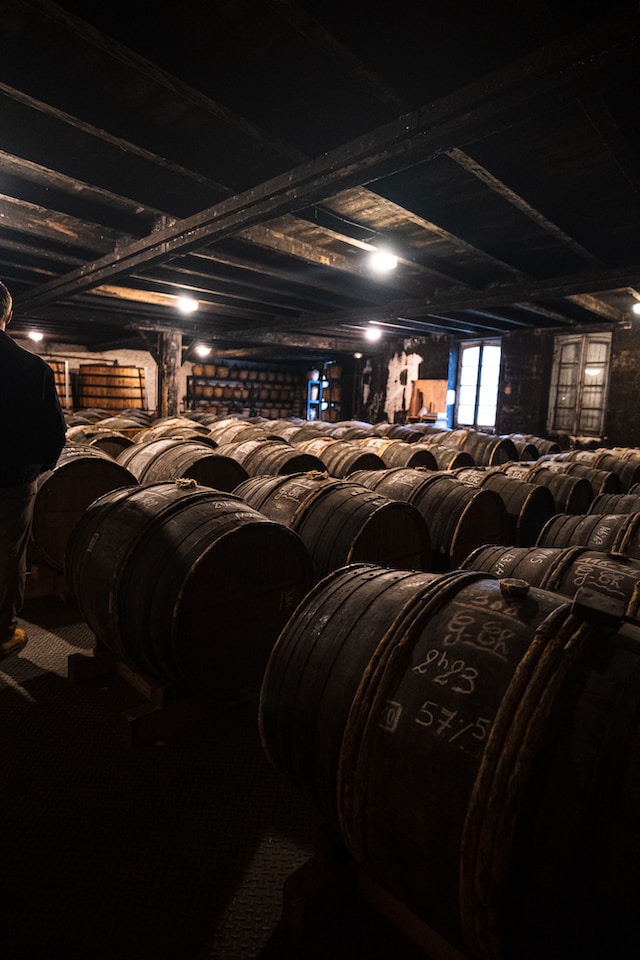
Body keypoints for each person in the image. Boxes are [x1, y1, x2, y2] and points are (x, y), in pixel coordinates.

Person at [0, 281, 67, 661]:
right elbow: (55, 431)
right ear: (8, 315)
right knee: (8, 555)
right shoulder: (32, 367)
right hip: (13, 479)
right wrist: (37, 469)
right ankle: (2, 632)